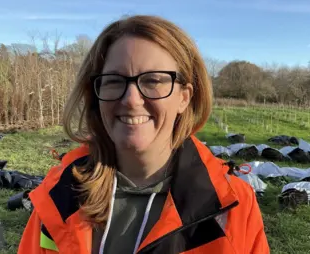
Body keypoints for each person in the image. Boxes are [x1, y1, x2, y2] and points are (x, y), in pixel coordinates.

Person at [17, 15, 270, 254]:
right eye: (115, 80)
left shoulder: (233, 206)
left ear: (184, 97)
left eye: (153, 81)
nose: (131, 99)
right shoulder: (58, 198)